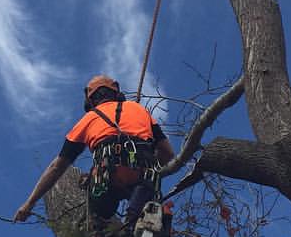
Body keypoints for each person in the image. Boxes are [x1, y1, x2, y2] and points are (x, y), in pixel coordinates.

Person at [13, 75, 175, 228]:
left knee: (99, 216)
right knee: (145, 204)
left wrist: (30, 203)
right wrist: (149, 165)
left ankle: (103, 233)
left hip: (106, 179)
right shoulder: (138, 110)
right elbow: (167, 153)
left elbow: (57, 167)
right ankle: (143, 219)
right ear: (116, 92)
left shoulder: (88, 119)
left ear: (90, 100)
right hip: (143, 172)